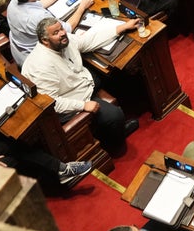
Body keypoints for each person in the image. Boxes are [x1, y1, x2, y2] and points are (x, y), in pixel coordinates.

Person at [22, 16, 141, 148]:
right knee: (115, 116)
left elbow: (88, 40)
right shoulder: (41, 67)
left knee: (115, 72)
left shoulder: (63, 40)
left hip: (81, 82)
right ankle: (114, 141)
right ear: (45, 40)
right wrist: (83, 105)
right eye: (56, 33)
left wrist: (123, 27)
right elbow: (53, 104)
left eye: (61, 29)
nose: (62, 33)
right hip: (72, 101)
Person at [6, 0, 93, 66]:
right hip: (32, 59)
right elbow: (68, 28)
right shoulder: (38, 16)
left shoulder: (15, 0)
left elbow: (39, 4)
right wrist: (82, 7)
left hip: (18, 48)